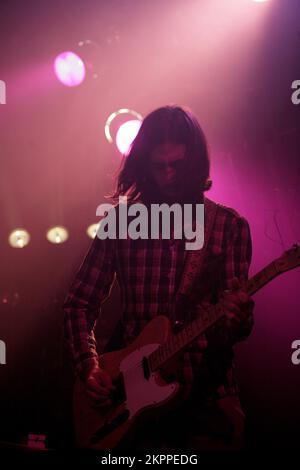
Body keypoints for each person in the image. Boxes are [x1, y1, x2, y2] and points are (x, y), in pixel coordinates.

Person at [63, 105, 254, 450]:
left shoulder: (228, 227)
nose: (168, 175)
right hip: (128, 401)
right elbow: (79, 303)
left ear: (194, 163)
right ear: (143, 165)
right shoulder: (120, 224)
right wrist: (89, 367)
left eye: (177, 166)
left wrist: (238, 318)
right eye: (159, 166)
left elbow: (231, 332)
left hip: (205, 398)